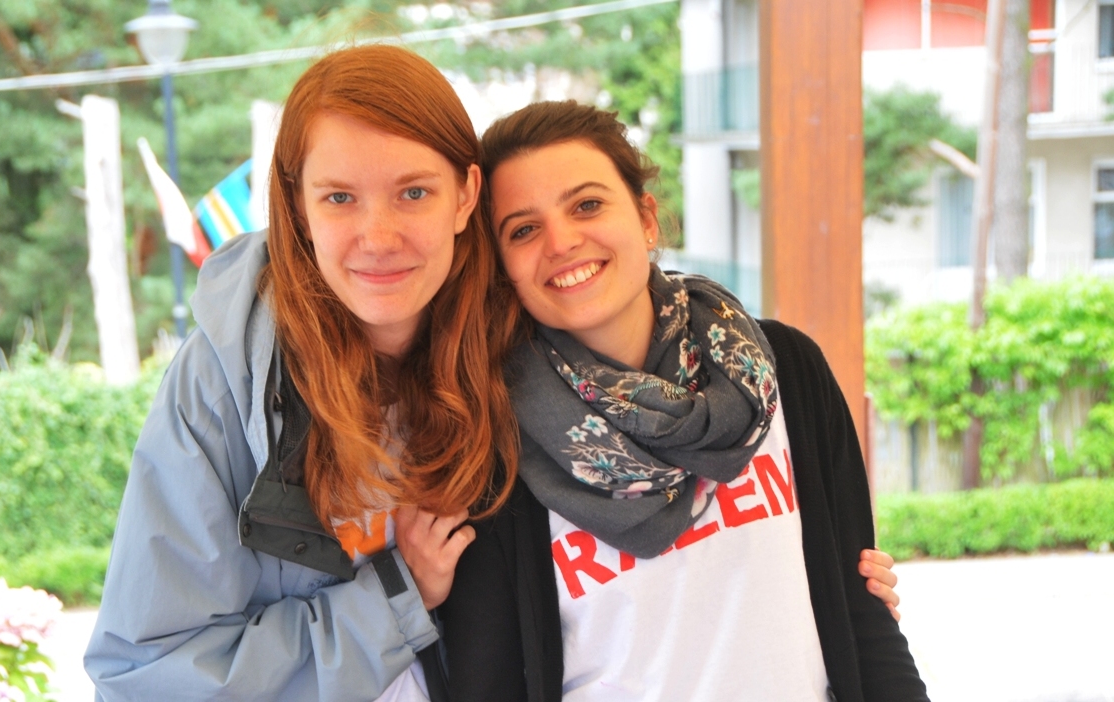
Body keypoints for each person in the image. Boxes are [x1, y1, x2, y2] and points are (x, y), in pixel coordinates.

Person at [438, 101, 928, 701]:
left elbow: (863, 619)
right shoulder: (494, 445)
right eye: (523, 229)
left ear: (646, 218)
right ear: (502, 267)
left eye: (587, 205)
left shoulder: (786, 370)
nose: (561, 241)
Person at [83, 44, 520, 702]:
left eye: (413, 192)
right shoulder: (224, 381)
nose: (378, 237)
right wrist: (394, 601)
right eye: (340, 197)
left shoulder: (512, 345)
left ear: (465, 196)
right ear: (298, 208)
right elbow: (149, 674)